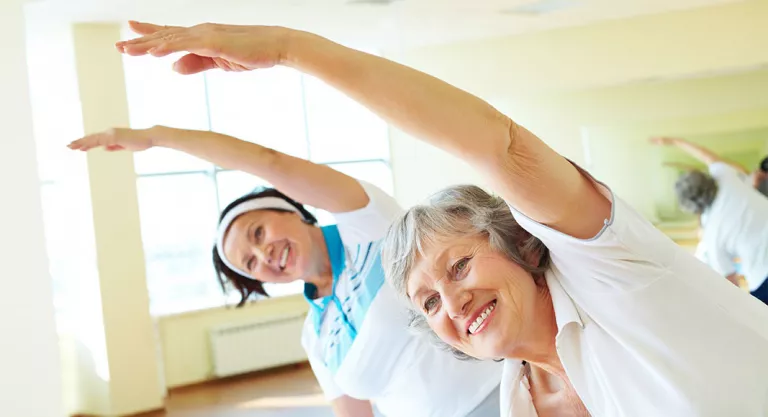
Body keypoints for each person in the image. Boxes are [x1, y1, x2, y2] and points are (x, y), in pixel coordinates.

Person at [108, 20, 768, 417]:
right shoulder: (520, 393)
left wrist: (287, 49)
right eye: (427, 300)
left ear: (521, 246)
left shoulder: (615, 275)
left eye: (458, 265)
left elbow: (497, 145)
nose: (450, 299)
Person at [68, 125, 503, 417]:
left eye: (257, 233)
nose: (264, 256)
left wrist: (156, 138)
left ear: (290, 209)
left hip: (501, 397)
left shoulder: (368, 226)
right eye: (251, 265)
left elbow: (270, 161)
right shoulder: (316, 335)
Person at [651, 136, 768, 302]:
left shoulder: (711, 236)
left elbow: (731, 283)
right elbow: (706, 155)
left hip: (763, 276)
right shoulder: (727, 177)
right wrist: (675, 141)